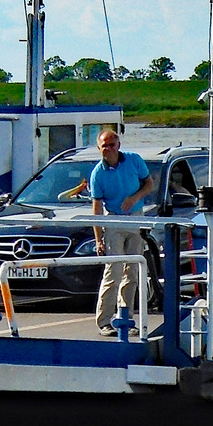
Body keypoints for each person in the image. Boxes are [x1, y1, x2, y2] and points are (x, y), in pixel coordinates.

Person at [89, 128, 156, 336]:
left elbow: (149, 184)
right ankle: (104, 321)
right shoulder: (97, 173)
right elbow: (97, 208)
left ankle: (126, 317)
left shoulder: (134, 160)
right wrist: (98, 239)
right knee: (114, 271)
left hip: (135, 216)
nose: (108, 149)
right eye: (104, 146)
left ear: (118, 146)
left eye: (111, 145)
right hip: (114, 220)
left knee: (133, 272)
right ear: (99, 148)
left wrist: (134, 198)